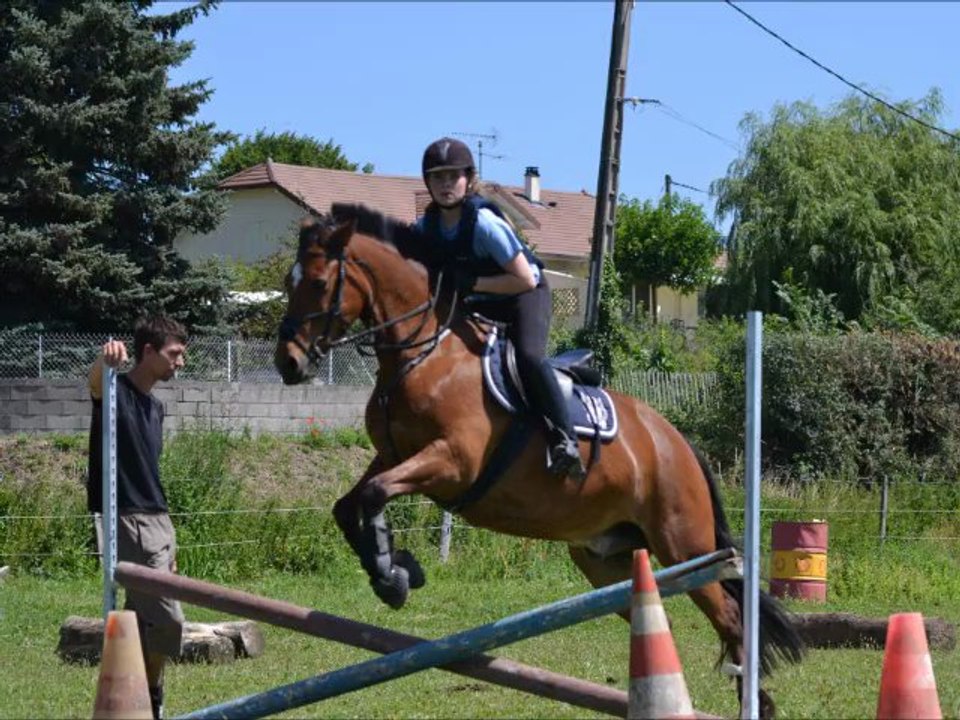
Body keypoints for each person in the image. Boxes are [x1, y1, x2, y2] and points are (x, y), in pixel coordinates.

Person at [334, 137, 586, 480]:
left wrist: (471, 284)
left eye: (453, 176)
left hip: (523, 295)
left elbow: (524, 280)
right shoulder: (427, 228)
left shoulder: (484, 223)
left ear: (468, 179)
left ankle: (564, 439)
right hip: (478, 300)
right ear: (428, 183)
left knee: (527, 356)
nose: (446, 184)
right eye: (437, 177)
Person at [87, 316, 187, 720]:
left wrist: (169, 538)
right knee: (168, 621)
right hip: (127, 519)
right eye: (174, 354)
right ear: (148, 352)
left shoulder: (155, 407)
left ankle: (135, 703)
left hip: (158, 521)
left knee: (140, 618)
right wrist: (103, 360)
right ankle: (149, 695)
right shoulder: (114, 389)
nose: (180, 363)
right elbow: (94, 383)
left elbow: (151, 473)